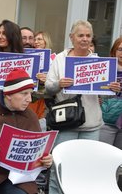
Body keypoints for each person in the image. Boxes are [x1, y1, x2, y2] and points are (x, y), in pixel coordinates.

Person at [45, 20, 121, 194]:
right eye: (80, 35)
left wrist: (112, 89)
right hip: (66, 124)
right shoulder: (60, 59)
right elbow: (48, 89)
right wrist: (59, 83)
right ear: (72, 38)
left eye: (88, 36)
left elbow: (102, 93)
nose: (84, 39)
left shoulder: (98, 62)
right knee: (60, 169)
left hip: (91, 125)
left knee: (85, 170)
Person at [99, 37, 122, 149]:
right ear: (114, 51)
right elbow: (97, 94)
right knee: (102, 155)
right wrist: (108, 89)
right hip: (106, 121)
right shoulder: (104, 69)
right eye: (120, 49)